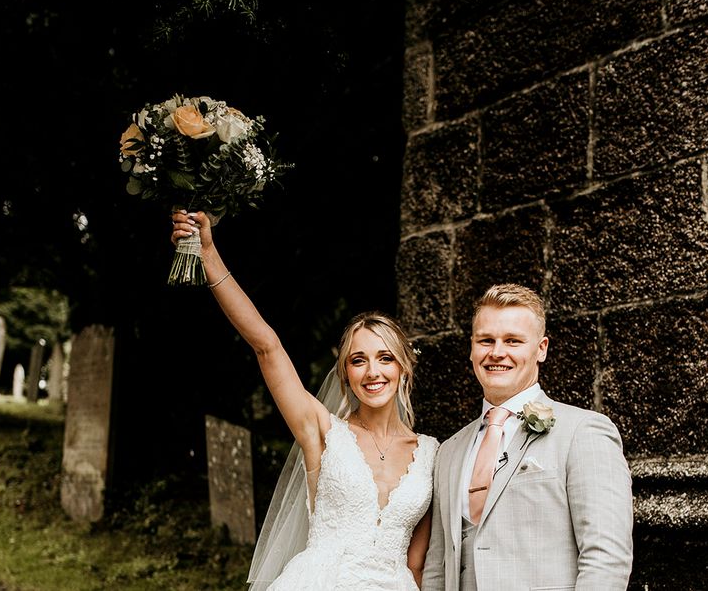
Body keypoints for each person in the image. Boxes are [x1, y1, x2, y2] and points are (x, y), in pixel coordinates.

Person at [170, 210, 439, 590]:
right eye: (358, 360)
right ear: (345, 373)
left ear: (404, 368)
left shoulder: (430, 455)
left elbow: (417, 565)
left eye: (385, 358)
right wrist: (209, 255)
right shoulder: (324, 431)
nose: (372, 372)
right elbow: (267, 346)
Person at [422, 284, 633, 591]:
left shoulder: (584, 432)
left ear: (541, 348)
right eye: (486, 340)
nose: (497, 352)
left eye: (513, 341)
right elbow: (436, 568)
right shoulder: (449, 451)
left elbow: (606, 559)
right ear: (471, 348)